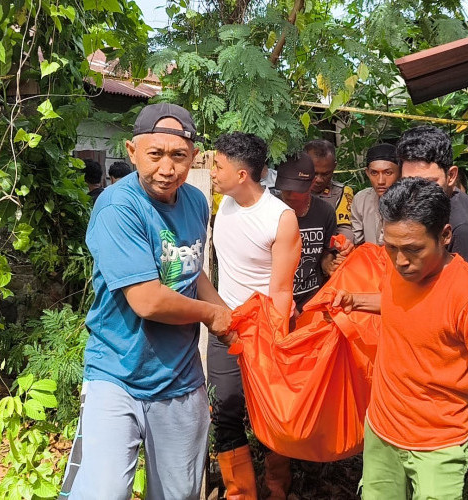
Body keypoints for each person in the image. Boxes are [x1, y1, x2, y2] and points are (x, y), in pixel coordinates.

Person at [59, 103, 233, 500]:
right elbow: (148, 301)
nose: (167, 169)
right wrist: (211, 315)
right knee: (101, 493)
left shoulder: (195, 201)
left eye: (179, 156)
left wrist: (229, 317)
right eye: (155, 154)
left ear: (193, 156)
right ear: (133, 151)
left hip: (182, 380)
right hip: (116, 374)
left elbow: (192, 267)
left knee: (179, 494)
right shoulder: (119, 208)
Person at [331, 177, 468, 500]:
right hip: (381, 432)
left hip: (438, 447)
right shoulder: (399, 265)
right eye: (391, 247)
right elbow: (400, 305)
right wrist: (357, 300)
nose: (400, 260)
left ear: (445, 236)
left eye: (413, 249)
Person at [209, 132, 301, 500]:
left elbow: (281, 290)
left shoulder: (280, 218)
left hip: (268, 328)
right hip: (228, 328)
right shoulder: (223, 204)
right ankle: (240, 493)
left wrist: (276, 343)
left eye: (218, 165)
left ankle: (277, 488)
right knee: (226, 407)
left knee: (273, 411)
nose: (212, 171)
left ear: (242, 174)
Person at [397, 125, 468, 422]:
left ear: (452, 176)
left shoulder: (464, 226)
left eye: (427, 182)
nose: (416, 194)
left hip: (458, 357)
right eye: (408, 183)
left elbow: (467, 305)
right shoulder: (432, 213)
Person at [275, 153, 348, 312]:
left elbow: (325, 251)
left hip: (312, 301)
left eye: (296, 189)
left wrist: (329, 264)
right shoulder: (269, 210)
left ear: (311, 183)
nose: (289, 194)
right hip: (277, 302)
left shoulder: (325, 211)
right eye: (285, 187)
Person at [304, 139, 354, 242]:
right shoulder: (290, 191)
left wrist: (343, 245)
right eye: (314, 173)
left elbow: (344, 229)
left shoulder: (341, 193)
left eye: (325, 174)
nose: (319, 180)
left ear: (334, 166)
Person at [351, 143, 400, 245]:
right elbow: (356, 242)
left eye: (388, 173)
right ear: (367, 173)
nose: (380, 181)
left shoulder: (411, 201)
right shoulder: (361, 200)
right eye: (374, 173)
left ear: (400, 172)